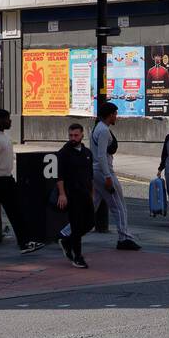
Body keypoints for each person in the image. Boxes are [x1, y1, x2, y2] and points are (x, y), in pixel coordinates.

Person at [0, 108, 44, 257]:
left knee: (16, 211)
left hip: (6, 179)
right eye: (7, 119)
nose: (10, 121)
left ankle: (25, 243)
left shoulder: (4, 136)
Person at [91, 101, 140, 251]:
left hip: (95, 172)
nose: (116, 117)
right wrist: (107, 177)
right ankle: (123, 238)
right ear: (110, 115)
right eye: (115, 114)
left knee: (91, 206)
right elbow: (101, 156)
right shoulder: (104, 131)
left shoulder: (97, 128)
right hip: (104, 172)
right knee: (119, 206)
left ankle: (66, 233)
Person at [55, 122, 95, 268]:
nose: (73, 138)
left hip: (85, 193)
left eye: (76, 135)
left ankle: (66, 241)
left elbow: (90, 176)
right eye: (70, 135)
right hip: (72, 194)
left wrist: (91, 194)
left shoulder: (87, 153)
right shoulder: (64, 153)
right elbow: (59, 176)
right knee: (77, 226)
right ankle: (77, 257)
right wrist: (62, 194)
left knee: (90, 222)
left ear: (82, 135)